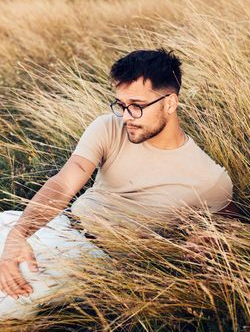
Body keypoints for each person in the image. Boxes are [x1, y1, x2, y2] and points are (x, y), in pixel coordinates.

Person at [0, 48, 236, 319]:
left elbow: (231, 231)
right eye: (121, 105)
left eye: (136, 106)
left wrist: (208, 242)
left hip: (90, 257)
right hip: (58, 224)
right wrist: (19, 235)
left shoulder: (210, 179)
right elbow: (65, 181)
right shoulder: (109, 127)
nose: (126, 117)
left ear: (170, 103)